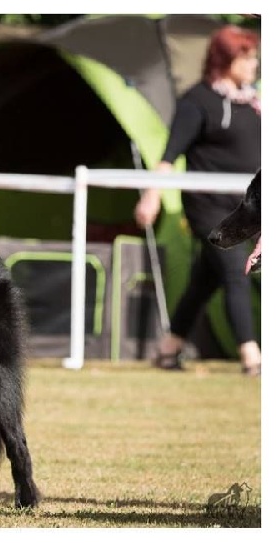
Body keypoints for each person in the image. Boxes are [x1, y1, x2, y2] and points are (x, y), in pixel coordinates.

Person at [134, 25, 260, 376]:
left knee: (205, 279)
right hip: (208, 207)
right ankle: (253, 358)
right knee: (235, 270)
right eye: (246, 58)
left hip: (245, 207)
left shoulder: (255, 103)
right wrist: (151, 197)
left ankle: (168, 350)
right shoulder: (197, 101)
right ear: (224, 60)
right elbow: (168, 155)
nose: (254, 65)